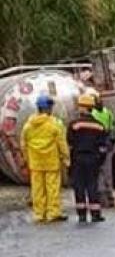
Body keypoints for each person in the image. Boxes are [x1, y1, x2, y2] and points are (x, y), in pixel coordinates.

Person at [21, 95, 70, 223]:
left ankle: (39, 214)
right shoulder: (54, 124)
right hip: (51, 162)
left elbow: (23, 144)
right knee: (52, 188)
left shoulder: (28, 125)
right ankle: (53, 213)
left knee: (37, 189)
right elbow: (61, 143)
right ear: (48, 109)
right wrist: (66, 157)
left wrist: (27, 159)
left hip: (35, 163)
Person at [67, 94, 108, 223]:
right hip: (93, 158)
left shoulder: (74, 125)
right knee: (92, 185)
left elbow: (69, 142)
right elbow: (103, 146)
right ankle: (95, 214)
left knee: (79, 186)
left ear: (83, 108)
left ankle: (82, 215)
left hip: (78, 158)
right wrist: (100, 160)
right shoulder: (100, 126)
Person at [87, 88, 115, 208]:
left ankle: (103, 198)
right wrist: (111, 143)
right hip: (105, 144)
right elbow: (113, 129)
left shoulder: (92, 114)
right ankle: (109, 198)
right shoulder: (107, 112)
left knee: (99, 173)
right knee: (106, 173)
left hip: (97, 146)